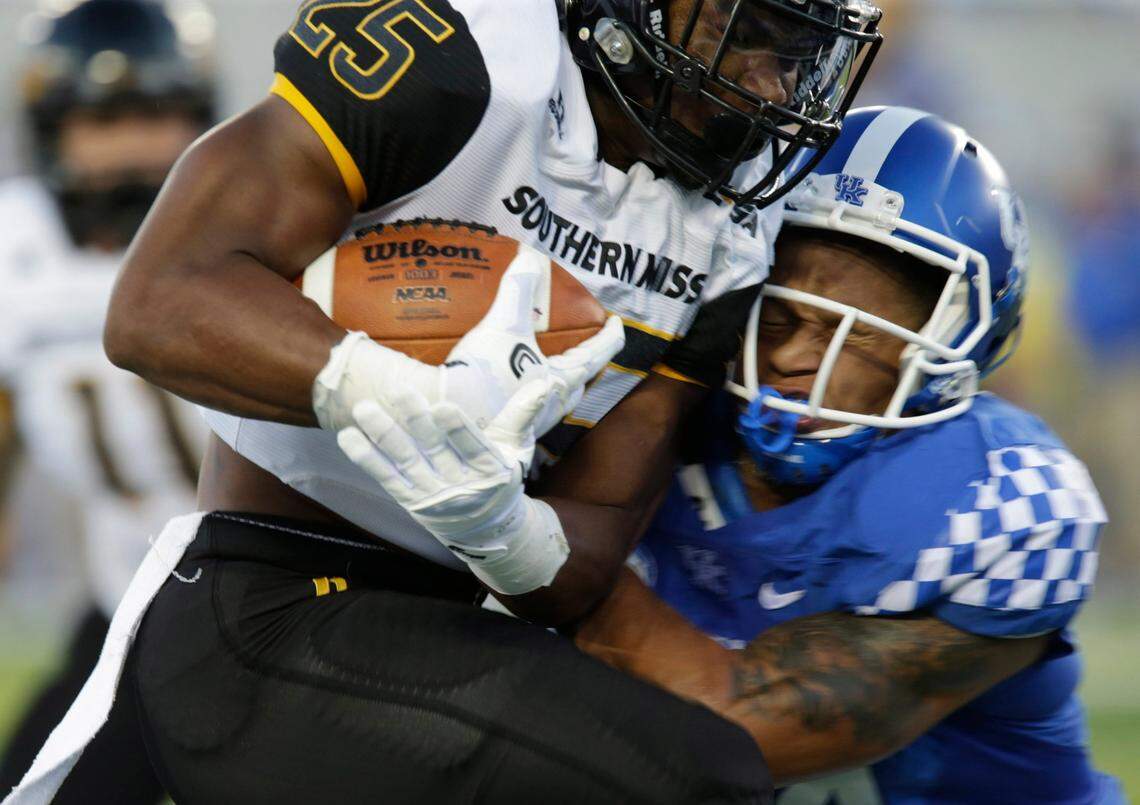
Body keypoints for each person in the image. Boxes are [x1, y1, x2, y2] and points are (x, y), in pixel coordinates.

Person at [8, 2, 883, 804]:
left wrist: (506, 525)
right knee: (701, 779)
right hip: (266, 605)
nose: (770, 85)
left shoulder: (734, 226)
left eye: (798, 53)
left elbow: (593, 543)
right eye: (750, 35)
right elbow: (159, 301)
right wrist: (377, 388)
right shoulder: (464, 60)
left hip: (446, 624)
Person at [573, 106, 1126, 804]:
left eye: (852, 335)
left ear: (947, 348)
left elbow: (746, 725)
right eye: (777, 314)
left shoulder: (1005, 497)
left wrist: (526, 538)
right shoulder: (654, 422)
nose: (791, 354)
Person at [0, 1, 214, 802]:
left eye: (158, 115)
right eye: (106, 118)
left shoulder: (256, 222)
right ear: (55, 128)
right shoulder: (15, 249)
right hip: (126, 602)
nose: (134, 145)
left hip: (275, 598)